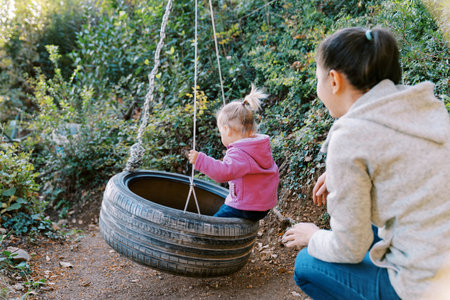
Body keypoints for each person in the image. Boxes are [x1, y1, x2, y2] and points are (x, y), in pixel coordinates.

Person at [282, 27, 450, 299]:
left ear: (333, 81)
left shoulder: (350, 134)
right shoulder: (424, 106)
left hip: (427, 286)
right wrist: (341, 175)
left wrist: (312, 236)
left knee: (306, 264)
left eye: (318, 78)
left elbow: (350, 248)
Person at [188, 85, 279, 221]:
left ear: (227, 129)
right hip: (263, 206)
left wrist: (200, 160)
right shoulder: (259, 147)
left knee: (213, 224)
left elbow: (223, 173)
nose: (221, 137)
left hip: (246, 206)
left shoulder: (240, 153)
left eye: (221, 133)